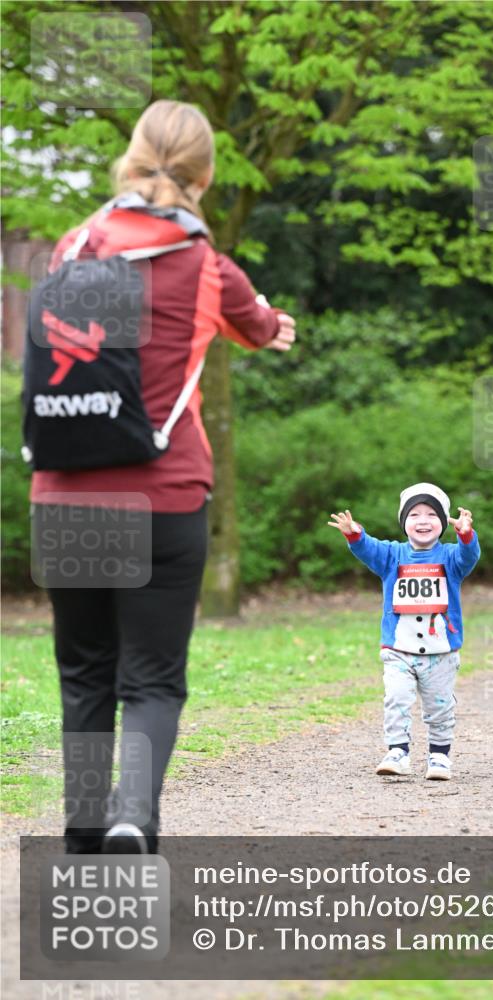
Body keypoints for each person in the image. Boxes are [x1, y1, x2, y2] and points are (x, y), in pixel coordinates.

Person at [29, 100, 296, 854]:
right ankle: (130, 817)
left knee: (84, 673)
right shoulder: (205, 264)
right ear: (205, 176)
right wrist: (276, 325)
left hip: (65, 494)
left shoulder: (73, 247)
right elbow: (258, 326)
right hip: (163, 494)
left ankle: (84, 829)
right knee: (149, 681)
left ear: (132, 158)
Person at [328, 483, 480, 780]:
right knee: (396, 699)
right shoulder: (391, 555)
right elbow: (367, 547)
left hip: (441, 651)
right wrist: (354, 533)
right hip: (398, 649)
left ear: (443, 522)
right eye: (414, 514)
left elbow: (469, 556)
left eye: (431, 515)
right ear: (403, 522)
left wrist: (466, 535)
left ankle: (439, 756)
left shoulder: (450, 557)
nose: (422, 521)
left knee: (439, 706)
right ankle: (398, 751)